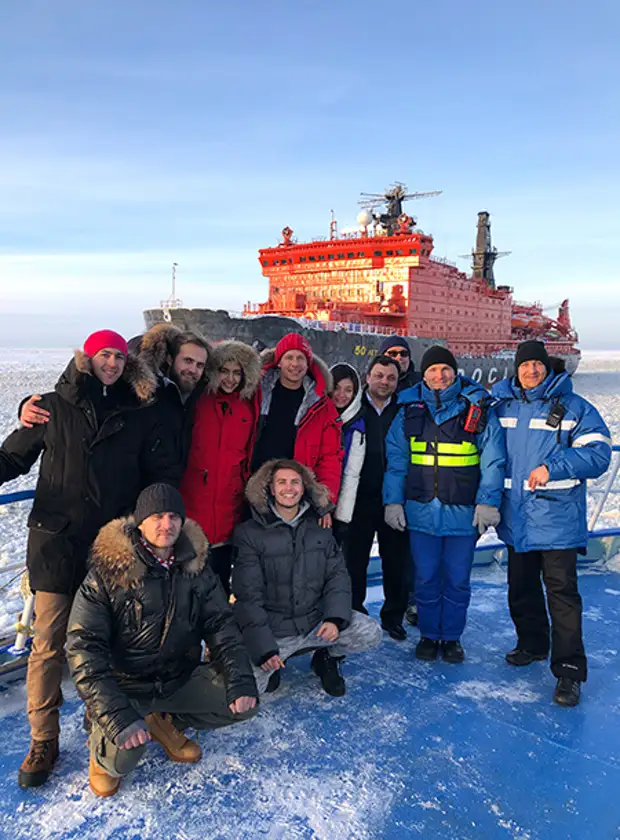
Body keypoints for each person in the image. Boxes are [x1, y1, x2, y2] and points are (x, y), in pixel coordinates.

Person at [0, 330, 180, 788]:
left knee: (115, 643)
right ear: (88, 357)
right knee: (48, 645)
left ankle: (102, 726)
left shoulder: (137, 412)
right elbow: (12, 459)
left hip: (111, 548)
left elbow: (156, 475)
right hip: (57, 545)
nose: (113, 363)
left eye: (120, 357)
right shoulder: (51, 407)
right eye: (105, 355)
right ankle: (43, 739)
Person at [66, 483, 258, 797]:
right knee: (122, 760)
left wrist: (239, 679)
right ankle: (101, 747)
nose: (165, 524)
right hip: (125, 686)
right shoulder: (108, 572)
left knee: (243, 701)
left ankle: (163, 720)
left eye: (173, 516)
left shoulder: (196, 569)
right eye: (156, 516)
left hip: (176, 680)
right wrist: (115, 712)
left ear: (183, 522)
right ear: (140, 522)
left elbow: (222, 625)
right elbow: (83, 648)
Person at [492, 340, 612, 706]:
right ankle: (532, 643)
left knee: (562, 599)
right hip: (517, 520)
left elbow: (598, 454)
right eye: (525, 364)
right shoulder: (502, 406)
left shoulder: (574, 407)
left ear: (548, 368)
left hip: (557, 521)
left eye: (537, 365)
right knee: (521, 588)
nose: (531, 371)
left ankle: (569, 672)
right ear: (516, 369)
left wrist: (553, 467)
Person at [384, 345, 505, 662]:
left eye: (445, 369)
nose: (439, 376)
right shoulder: (407, 411)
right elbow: (396, 463)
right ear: (423, 375)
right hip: (421, 512)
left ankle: (451, 637)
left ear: (455, 372)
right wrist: (392, 502)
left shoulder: (476, 410)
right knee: (425, 578)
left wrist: (487, 502)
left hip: (463, 513)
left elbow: (493, 461)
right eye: (433, 370)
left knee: (456, 579)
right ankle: (427, 634)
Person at [232, 459, 382, 697]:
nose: (289, 488)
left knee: (369, 631)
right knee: (248, 690)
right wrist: (264, 649)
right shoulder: (249, 533)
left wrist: (334, 619)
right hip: (275, 630)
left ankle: (326, 658)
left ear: (304, 488)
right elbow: (248, 597)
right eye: (281, 482)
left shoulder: (320, 526)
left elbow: (337, 576)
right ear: (270, 488)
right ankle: (274, 664)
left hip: (314, 621)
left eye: (295, 482)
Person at [20, 324, 211, 472]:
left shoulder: (202, 396)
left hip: (174, 500)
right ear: (170, 359)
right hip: (132, 501)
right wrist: (27, 406)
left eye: (200, 365)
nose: (193, 370)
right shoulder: (138, 394)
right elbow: (82, 393)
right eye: (187, 361)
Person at [180, 341, 262, 594]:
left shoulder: (247, 406)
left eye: (237, 373)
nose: (230, 379)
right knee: (188, 581)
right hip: (194, 500)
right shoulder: (198, 400)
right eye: (224, 371)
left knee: (220, 581)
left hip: (229, 502)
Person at [345, 355, 410, 640]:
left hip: (395, 499)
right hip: (358, 498)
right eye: (379, 375)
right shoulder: (353, 407)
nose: (385, 382)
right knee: (353, 562)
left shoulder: (406, 409)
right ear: (368, 376)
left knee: (396, 562)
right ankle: (354, 615)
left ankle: (393, 616)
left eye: (391, 378)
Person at [251, 333, 343, 513]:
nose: (295, 364)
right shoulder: (256, 391)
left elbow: (330, 456)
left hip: (295, 492)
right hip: (255, 484)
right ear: (279, 361)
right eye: (289, 357)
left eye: (301, 357)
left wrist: (325, 501)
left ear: (308, 363)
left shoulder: (321, 404)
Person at [329, 363, 366, 545]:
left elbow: (351, 474)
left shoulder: (357, 428)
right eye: (336, 388)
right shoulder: (313, 417)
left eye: (348, 390)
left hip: (337, 509)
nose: (341, 395)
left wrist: (341, 516)